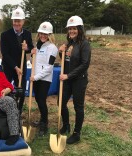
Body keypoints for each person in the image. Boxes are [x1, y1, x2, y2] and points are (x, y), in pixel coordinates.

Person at [58, 15, 91, 144]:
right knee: (61, 103)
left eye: (74, 28)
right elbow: (65, 61)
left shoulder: (85, 44)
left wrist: (69, 75)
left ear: (80, 29)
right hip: (68, 79)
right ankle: (66, 125)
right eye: (70, 29)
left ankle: (77, 133)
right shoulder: (69, 43)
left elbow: (85, 64)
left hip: (79, 80)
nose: (71, 31)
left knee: (78, 107)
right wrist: (60, 52)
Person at [0, 7, 34, 114]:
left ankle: (18, 110)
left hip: (21, 65)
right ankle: (6, 109)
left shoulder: (27, 34)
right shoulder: (5, 35)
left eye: (19, 21)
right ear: (12, 21)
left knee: (21, 90)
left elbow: (31, 48)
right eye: (15, 21)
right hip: (9, 66)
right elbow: (5, 54)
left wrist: (27, 48)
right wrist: (15, 67)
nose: (17, 23)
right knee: (6, 88)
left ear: (23, 21)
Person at [30, 22, 58, 136]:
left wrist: (36, 77)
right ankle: (42, 119)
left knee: (41, 101)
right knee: (38, 99)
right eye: (41, 33)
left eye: (45, 34)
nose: (43, 36)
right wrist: (32, 55)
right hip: (36, 78)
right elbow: (34, 63)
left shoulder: (52, 48)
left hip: (44, 79)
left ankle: (44, 124)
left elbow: (49, 67)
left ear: (50, 35)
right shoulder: (37, 46)